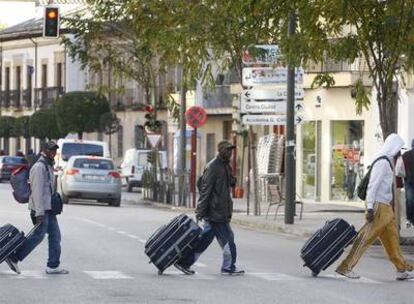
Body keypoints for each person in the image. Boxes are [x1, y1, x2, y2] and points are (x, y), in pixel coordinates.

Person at [335, 133, 414, 281]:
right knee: (366, 238)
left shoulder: (388, 161)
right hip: (378, 206)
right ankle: (345, 266)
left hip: (386, 207)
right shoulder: (382, 162)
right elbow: (373, 186)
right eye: (398, 149)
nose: (399, 153)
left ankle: (401, 269)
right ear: (393, 148)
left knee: (392, 240)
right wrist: (370, 207)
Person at [174, 141, 244, 276]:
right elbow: (206, 190)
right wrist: (200, 210)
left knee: (203, 240)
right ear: (220, 150)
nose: (230, 152)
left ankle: (183, 262)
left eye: (231, 150)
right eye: (227, 150)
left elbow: (229, 183)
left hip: (219, 211)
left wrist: (232, 179)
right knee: (228, 239)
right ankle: (228, 267)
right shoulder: (213, 166)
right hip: (215, 212)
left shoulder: (224, 165)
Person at [5, 141, 69, 275]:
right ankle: (15, 257)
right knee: (39, 236)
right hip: (41, 209)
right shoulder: (39, 167)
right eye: (51, 150)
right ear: (44, 150)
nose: (53, 153)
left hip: (48, 209)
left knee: (54, 236)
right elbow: (37, 192)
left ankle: (53, 265)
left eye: (55, 150)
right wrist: (39, 212)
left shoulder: (48, 165)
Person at [397, 139, 414, 227]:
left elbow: (400, 167)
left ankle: (410, 219)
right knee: (410, 201)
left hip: (408, 181)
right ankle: (410, 219)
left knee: (409, 201)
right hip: (409, 181)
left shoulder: (405, 155)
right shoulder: (406, 155)